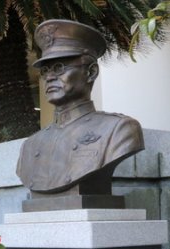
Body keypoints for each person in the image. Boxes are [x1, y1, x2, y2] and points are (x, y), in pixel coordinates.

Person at [16, 19, 144, 200]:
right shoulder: (30, 146)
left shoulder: (119, 130)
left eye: (59, 67)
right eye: (45, 71)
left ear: (91, 72)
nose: (50, 77)